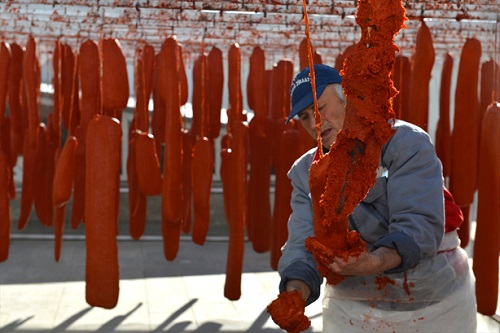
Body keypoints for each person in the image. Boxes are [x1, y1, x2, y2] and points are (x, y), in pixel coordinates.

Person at [277, 64, 477, 332]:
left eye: (319, 108)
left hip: (435, 300)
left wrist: (374, 262)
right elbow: (303, 241)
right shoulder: (305, 172)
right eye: (304, 116)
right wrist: (294, 293)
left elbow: (418, 224)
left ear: (346, 97)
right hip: (354, 309)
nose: (314, 123)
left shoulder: (405, 142)